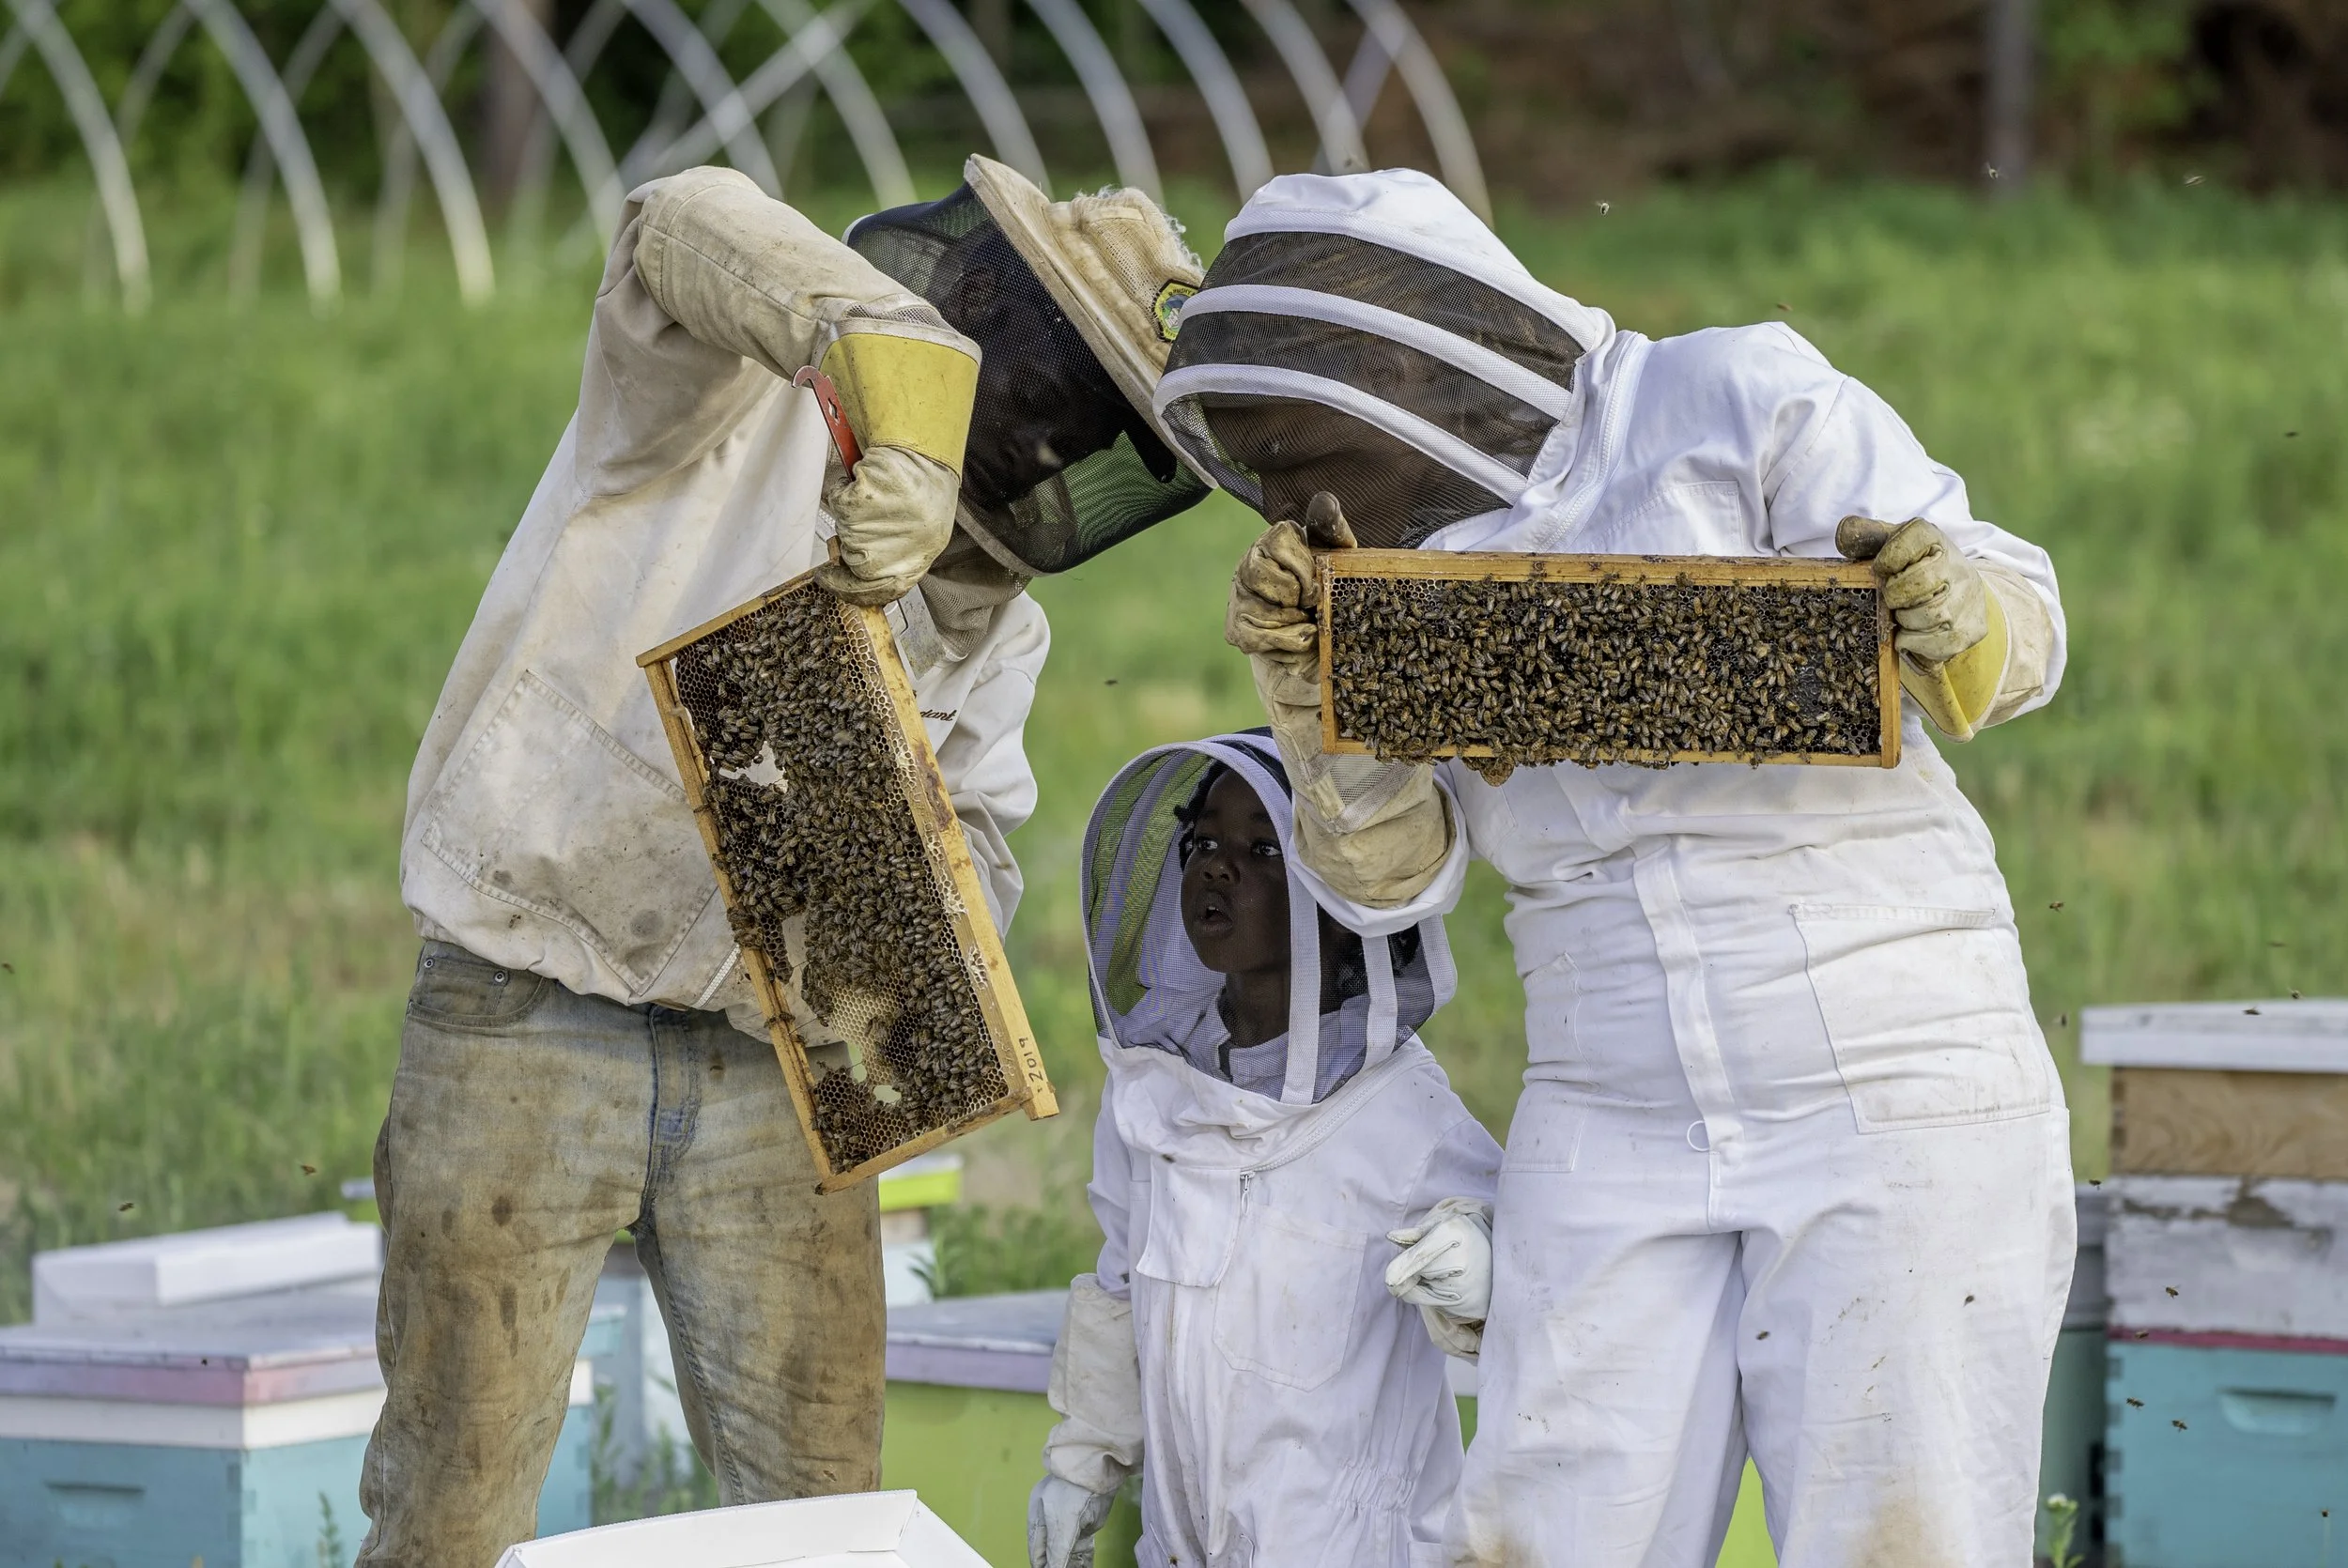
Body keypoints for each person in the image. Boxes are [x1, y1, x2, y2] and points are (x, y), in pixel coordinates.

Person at [1154, 170, 2075, 1567]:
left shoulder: (1724, 399)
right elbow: (1394, 886)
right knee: (1548, 1531)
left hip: (1886, 1051)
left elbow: (2025, 625)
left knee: (1907, 1534)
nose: (1286, 501)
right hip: (1606, 1095)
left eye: (1294, 452)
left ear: (1402, 372)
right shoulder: (1387, 582)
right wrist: (1316, 709)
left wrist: (1956, 610)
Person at [363, 157, 1210, 1566]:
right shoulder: (715, 405)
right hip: (527, 1004)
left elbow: (978, 867)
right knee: (451, 1508)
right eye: (1061, 388)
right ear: (983, 300)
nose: (1059, 438)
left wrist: (901, 901)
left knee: (827, 1518)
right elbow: (674, 216)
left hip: (775, 1078)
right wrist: (907, 398)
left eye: (1094, 425)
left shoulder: (1001, 630)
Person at [1028, 731, 1503, 1568]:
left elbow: (1541, 1285)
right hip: (1179, 1548)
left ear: (1338, 893)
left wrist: (1483, 1268)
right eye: (1203, 843)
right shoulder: (1154, 1089)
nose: (1218, 868)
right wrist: (1082, 1463)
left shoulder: (1403, 1114)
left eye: (1262, 850)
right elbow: (1118, 1284)